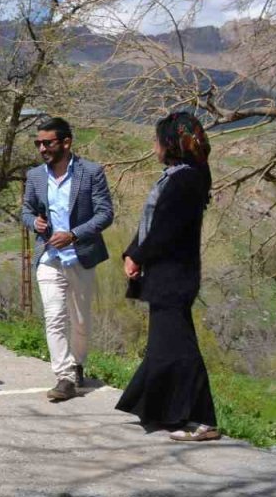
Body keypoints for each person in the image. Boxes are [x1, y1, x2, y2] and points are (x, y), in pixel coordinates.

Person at [117, 112, 219, 442]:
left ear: (170, 143)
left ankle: (203, 419)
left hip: (174, 275)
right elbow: (151, 224)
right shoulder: (176, 176)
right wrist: (133, 252)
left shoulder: (185, 179)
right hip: (166, 274)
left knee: (179, 346)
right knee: (164, 346)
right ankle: (165, 410)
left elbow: (165, 230)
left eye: (157, 140)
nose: (154, 146)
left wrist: (138, 255)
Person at [21, 117, 115, 402]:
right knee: (54, 316)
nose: (41, 148)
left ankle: (77, 364)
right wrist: (32, 222)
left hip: (81, 256)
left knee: (81, 320)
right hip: (48, 257)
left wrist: (73, 235)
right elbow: (26, 209)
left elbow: (105, 213)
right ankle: (63, 377)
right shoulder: (35, 176)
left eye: (47, 143)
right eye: (38, 143)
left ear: (66, 142)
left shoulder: (91, 172)